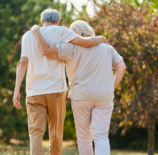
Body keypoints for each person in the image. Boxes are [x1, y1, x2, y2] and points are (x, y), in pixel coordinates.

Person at [13, 8, 108, 155]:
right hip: (56, 90)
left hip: (33, 91)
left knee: (35, 133)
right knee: (56, 133)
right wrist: (100, 38)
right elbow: (86, 43)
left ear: (41, 20)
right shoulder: (62, 31)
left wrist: (16, 91)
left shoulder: (28, 36)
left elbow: (22, 63)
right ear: (57, 20)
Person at [30, 20, 126, 155]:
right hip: (104, 95)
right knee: (101, 136)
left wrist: (36, 32)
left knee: (84, 137)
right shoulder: (107, 48)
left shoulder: (69, 47)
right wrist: (112, 86)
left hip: (81, 96)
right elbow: (121, 67)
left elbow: (46, 51)